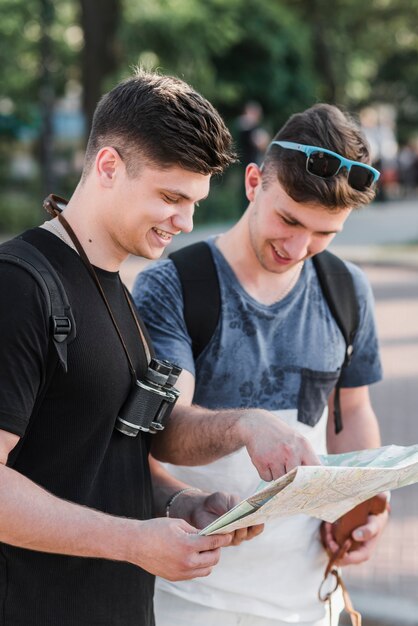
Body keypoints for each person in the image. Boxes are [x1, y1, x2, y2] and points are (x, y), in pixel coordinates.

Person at [0, 69, 271, 626]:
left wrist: (181, 503)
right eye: (171, 197)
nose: (186, 220)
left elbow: (91, 459)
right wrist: (132, 541)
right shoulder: (18, 286)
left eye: (195, 201)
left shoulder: (119, 288)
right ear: (108, 167)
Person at [132, 103, 389, 626]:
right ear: (254, 182)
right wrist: (249, 424)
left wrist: (365, 504)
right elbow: (164, 432)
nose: (298, 247)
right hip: (188, 602)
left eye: (323, 234)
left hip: (308, 602)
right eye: (289, 219)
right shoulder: (174, 287)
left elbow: (352, 414)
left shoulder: (346, 290)